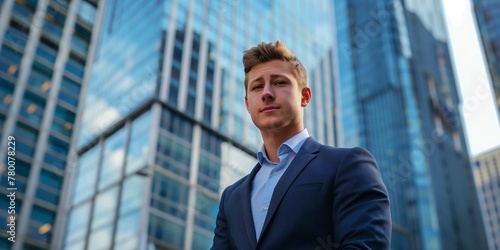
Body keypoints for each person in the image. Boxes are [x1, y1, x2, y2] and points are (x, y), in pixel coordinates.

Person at [211, 41, 391, 249]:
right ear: (247, 104)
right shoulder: (232, 197)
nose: (266, 93)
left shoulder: (348, 164)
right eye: (257, 86)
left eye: (279, 83)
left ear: (304, 96)